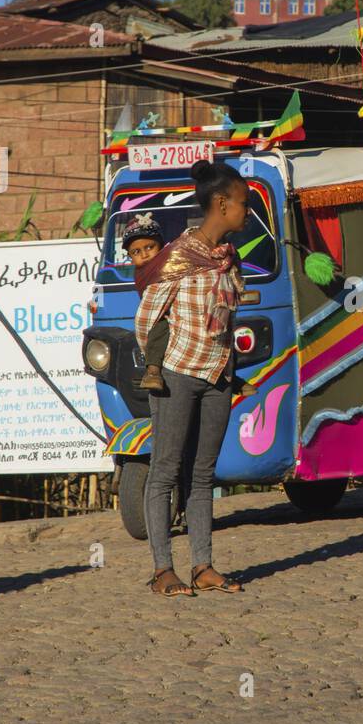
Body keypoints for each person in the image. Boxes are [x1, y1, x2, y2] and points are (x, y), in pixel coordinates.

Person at [134, 159, 250, 598]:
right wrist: (159, 367)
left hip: (218, 376)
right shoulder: (181, 255)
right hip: (178, 375)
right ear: (221, 204)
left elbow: (229, 312)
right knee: (164, 472)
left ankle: (202, 565)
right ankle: (163, 570)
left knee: (203, 476)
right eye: (242, 204)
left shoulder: (229, 257)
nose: (246, 212)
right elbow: (148, 317)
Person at [123, 212, 257, 396]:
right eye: (136, 252)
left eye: (149, 247)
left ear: (162, 247)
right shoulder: (142, 273)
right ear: (129, 256)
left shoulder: (173, 261)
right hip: (166, 317)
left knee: (223, 332)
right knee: (159, 328)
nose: (144, 254)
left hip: (190, 314)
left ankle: (232, 377)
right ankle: (153, 370)